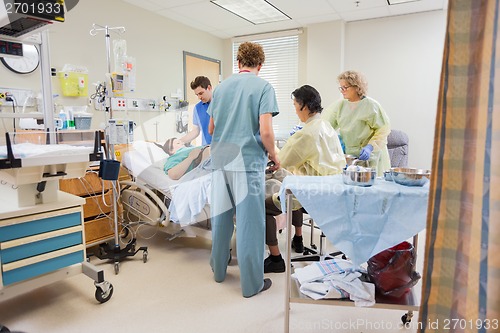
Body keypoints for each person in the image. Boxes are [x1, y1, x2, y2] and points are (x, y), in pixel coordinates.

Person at [207, 41, 280, 298]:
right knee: (250, 224)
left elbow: (212, 129)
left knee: (221, 219)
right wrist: (274, 154)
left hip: (221, 162)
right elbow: (266, 131)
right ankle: (251, 285)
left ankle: (218, 271)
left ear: (238, 62)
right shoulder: (263, 87)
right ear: (260, 65)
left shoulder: (221, 88)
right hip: (248, 164)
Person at [264, 85, 346, 273]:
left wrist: (270, 148)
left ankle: (275, 259)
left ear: (304, 107)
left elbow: (282, 160)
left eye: (295, 106)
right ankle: (298, 239)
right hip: (334, 190)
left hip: (315, 193)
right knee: (293, 185)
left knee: (265, 204)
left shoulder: (306, 134)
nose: (295, 110)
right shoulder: (327, 127)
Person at [322, 70, 391, 176]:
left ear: (357, 87)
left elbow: (383, 130)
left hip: (370, 156)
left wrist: (370, 147)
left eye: (345, 87)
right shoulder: (340, 106)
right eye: (341, 87)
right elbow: (325, 126)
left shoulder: (371, 106)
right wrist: (308, 129)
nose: (342, 90)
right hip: (350, 157)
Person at [180, 76, 213, 145]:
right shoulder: (197, 108)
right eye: (197, 95)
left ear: (209, 88)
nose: (199, 97)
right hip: (206, 149)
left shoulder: (221, 104)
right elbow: (196, 131)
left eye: (201, 93)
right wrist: (179, 141)